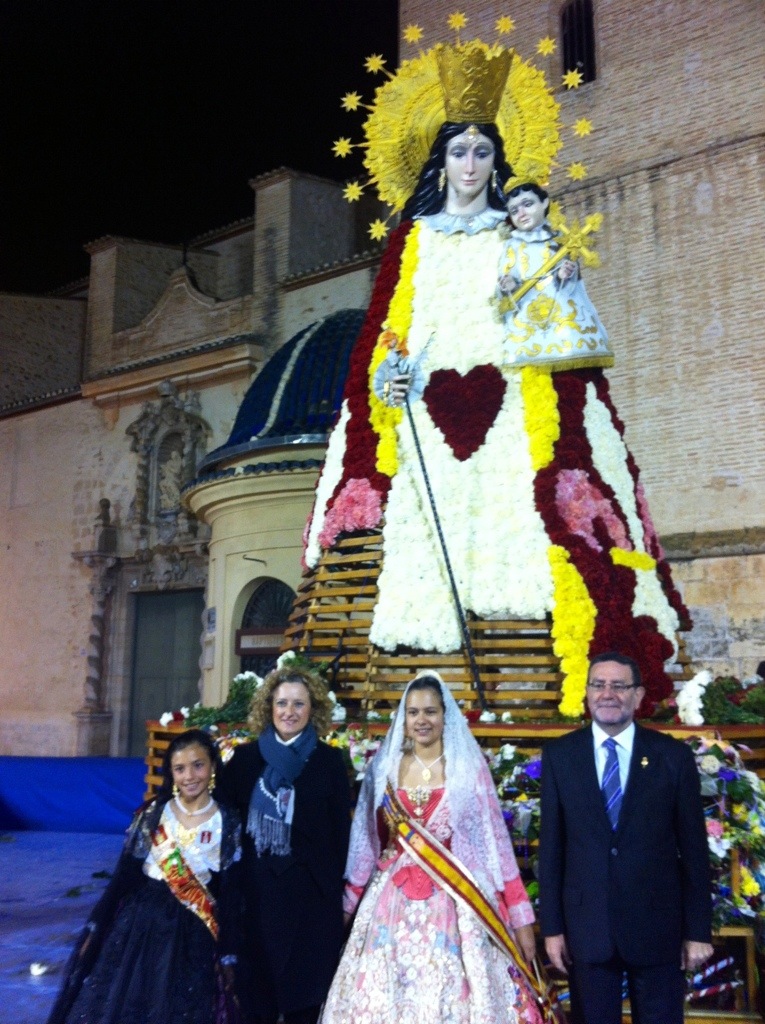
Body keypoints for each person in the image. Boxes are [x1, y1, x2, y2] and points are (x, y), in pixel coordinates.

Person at [303, 36, 689, 717]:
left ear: (497, 159)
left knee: (529, 519)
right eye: (458, 151)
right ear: (439, 159)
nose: (470, 164)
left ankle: (532, 694)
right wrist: (388, 378)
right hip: (421, 410)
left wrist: (563, 284)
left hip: (514, 403)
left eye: (482, 151)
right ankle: (401, 689)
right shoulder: (413, 237)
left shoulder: (522, 232)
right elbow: (387, 326)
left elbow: (552, 315)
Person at [319, 671, 548, 1024]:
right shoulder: (384, 768)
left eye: (430, 712)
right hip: (390, 904)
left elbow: (496, 846)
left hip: (456, 899)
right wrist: (348, 905)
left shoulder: (468, 769)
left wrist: (520, 920)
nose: (421, 720)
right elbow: (366, 841)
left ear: (445, 715)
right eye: (413, 712)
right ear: (403, 718)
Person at [538, 651, 713, 1024]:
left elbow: (695, 853)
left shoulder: (672, 757)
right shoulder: (560, 756)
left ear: (638, 695)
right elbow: (552, 852)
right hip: (588, 928)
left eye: (619, 686)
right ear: (587, 692)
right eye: (598, 685)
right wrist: (551, 929)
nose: (608, 694)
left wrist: (698, 931)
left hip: (658, 929)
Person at [47, 728, 242, 1024]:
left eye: (198, 765)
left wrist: (228, 950)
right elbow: (124, 875)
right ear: (171, 773)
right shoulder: (154, 814)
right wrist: (97, 922)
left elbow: (230, 890)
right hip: (141, 925)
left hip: (193, 932)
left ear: (213, 766)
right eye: (180, 768)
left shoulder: (226, 820)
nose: (189, 776)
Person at [218, 664, 351, 1024]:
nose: (289, 712)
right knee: (257, 1001)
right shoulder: (245, 761)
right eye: (281, 703)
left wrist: (335, 890)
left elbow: (341, 834)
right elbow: (226, 827)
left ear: (313, 710)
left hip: (312, 901)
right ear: (269, 707)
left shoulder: (329, 761)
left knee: (304, 1001)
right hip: (257, 897)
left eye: (298, 704)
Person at [497, 182, 611, 371]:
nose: (522, 213)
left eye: (528, 204)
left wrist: (564, 275)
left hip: (559, 309)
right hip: (525, 314)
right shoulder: (512, 246)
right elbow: (506, 278)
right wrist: (508, 285)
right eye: (514, 210)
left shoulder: (560, 239)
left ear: (544, 202)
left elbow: (571, 281)